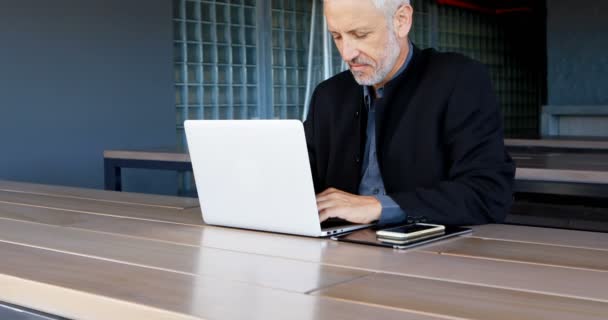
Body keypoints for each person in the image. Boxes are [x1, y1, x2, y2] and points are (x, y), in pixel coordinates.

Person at [304, 0, 515, 226]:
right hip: (338, 249)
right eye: (337, 36)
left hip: (430, 253)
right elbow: (299, 180)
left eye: (361, 34)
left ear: (401, 21)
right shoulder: (328, 96)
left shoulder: (459, 80)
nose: (347, 53)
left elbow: (487, 193)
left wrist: (378, 207)